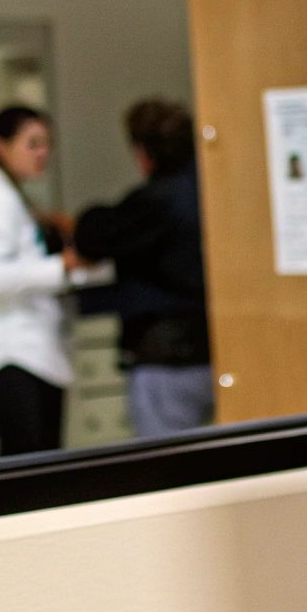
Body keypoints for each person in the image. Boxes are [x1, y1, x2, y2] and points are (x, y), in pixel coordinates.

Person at [0, 106, 88, 455]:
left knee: (38, 462)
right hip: (10, 353)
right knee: (29, 465)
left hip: (28, 351)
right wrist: (61, 266)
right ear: (0, 145)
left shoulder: (11, 195)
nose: (43, 153)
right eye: (32, 143)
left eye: (47, 144)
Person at [73, 98, 214, 437]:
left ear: (143, 153)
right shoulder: (210, 190)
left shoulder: (159, 202)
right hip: (214, 348)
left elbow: (93, 236)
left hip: (170, 358)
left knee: (170, 473)